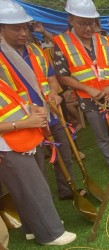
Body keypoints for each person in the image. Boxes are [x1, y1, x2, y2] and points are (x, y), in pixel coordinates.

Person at [0, 1, 81, 200]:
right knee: (37, 167)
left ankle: (68, 190)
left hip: (51, 112)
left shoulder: (36, 51)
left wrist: (54, 93)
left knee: (64, 156)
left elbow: (51, 77)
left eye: (25, 28)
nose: (23, 33)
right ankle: (44, 203)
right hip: (25, 123)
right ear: (1, 28)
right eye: (16, 28)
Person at [53, 0, 109, 174]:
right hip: (88, 98)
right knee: (101, 135)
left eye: (91, 23)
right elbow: (62, 76)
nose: (88, 28)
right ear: (71, 20)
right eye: (83, 23)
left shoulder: (106, 41)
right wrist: (87, 89)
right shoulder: (61, 44)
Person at [0, 77, 76, 245]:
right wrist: (24, 123)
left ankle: (32, 228)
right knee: (35, 189)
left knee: (24, 191)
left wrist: (30, 110)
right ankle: (51, 233)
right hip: (8, 145)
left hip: (17, 141)